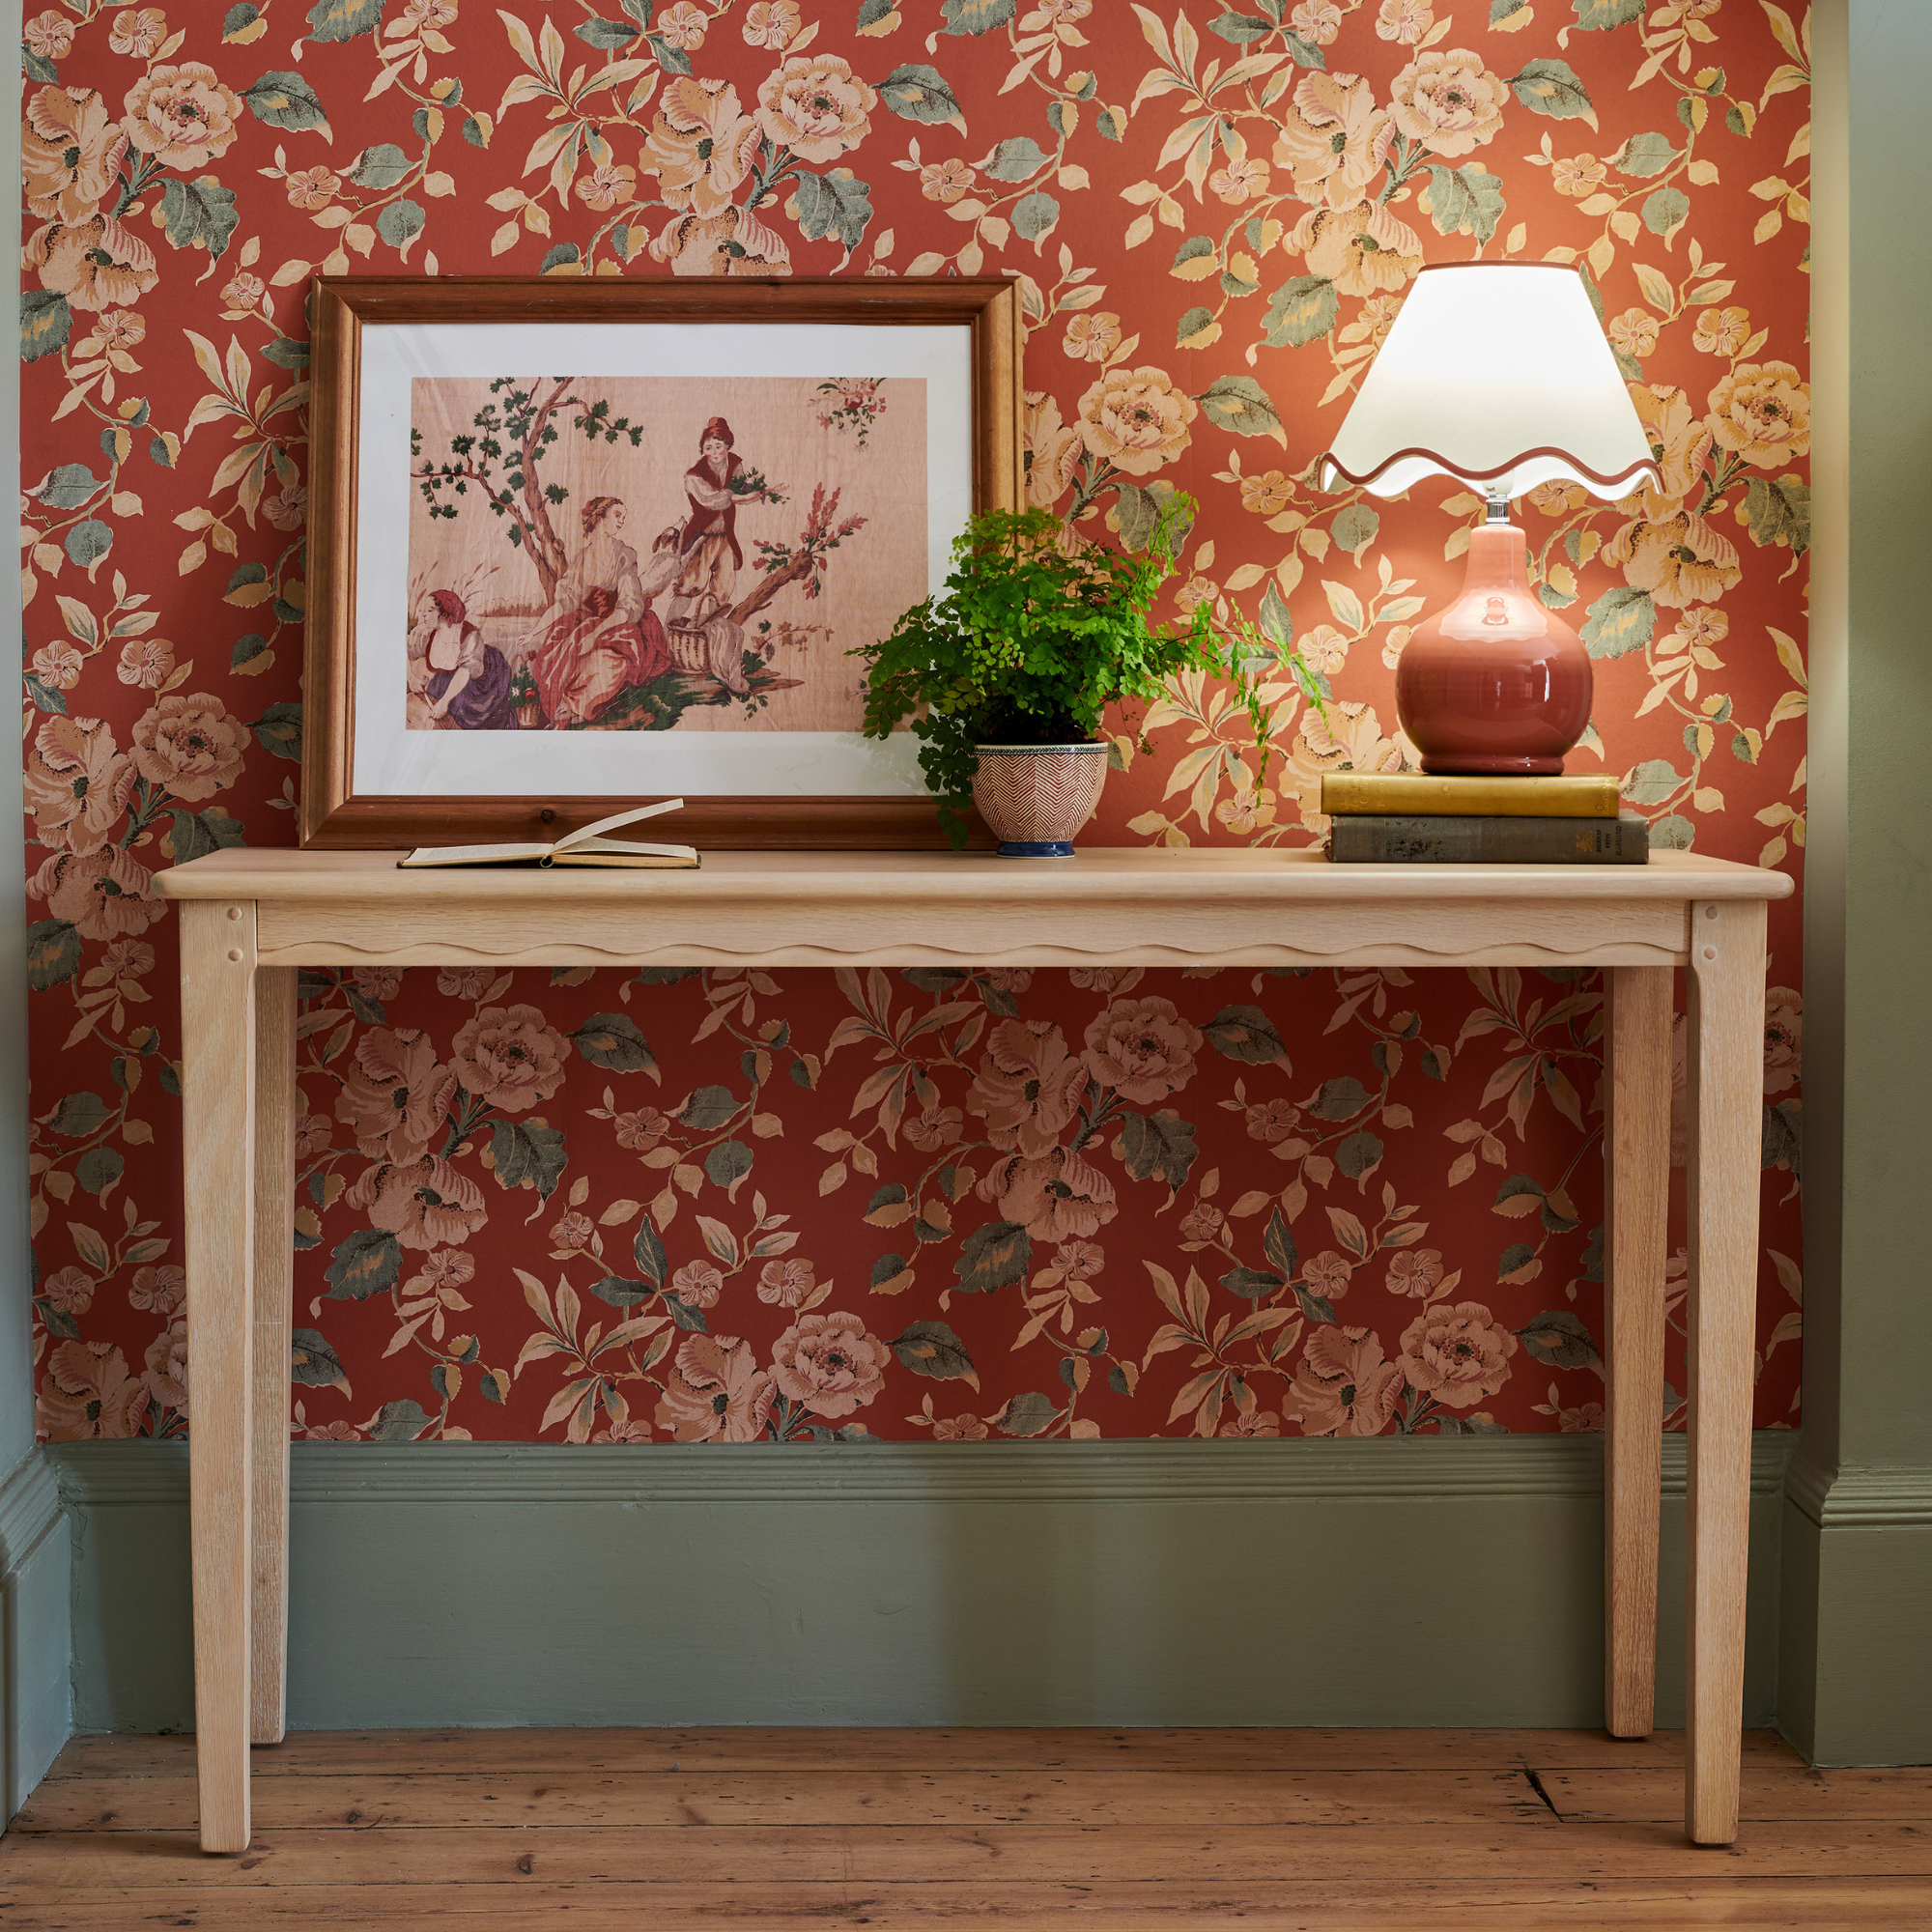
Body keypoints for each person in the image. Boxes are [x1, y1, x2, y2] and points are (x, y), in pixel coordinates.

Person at [523, 497, 675, 728]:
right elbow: (564, 602)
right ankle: (562, 706)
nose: (622, 521)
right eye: (617, 515)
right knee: (558, 654)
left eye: (623, 516)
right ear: (599, 518)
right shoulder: (580, 560)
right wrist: (534, 632)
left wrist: (594, 636)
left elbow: (629, 606)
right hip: (587, 623)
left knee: (609, 662)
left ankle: (574, 705)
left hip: (620, 625)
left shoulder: (624, 555)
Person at [668, 418, 751, 629]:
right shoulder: (694, 475)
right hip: (702, 537)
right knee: (690, 584)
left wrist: (751, 490)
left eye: (719, 446)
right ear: (703, 449)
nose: (714, 452)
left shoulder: (735, 464)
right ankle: (667, 632)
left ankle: (703, 631)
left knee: (723, 585)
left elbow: (743, 487)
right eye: (708, 447)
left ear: (728, 445)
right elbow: (714, 501)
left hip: (725, 535)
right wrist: (735, 493)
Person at [414, 588, 516, 731]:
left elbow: (465, 671)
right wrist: (412, 678)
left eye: (429, 610)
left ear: (444, 614)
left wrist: (444, 702)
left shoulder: (469, 635)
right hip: (451, 681)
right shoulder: (426, 634)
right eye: (423, 610)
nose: (423, 614)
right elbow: (405, 650)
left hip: (480, 687)